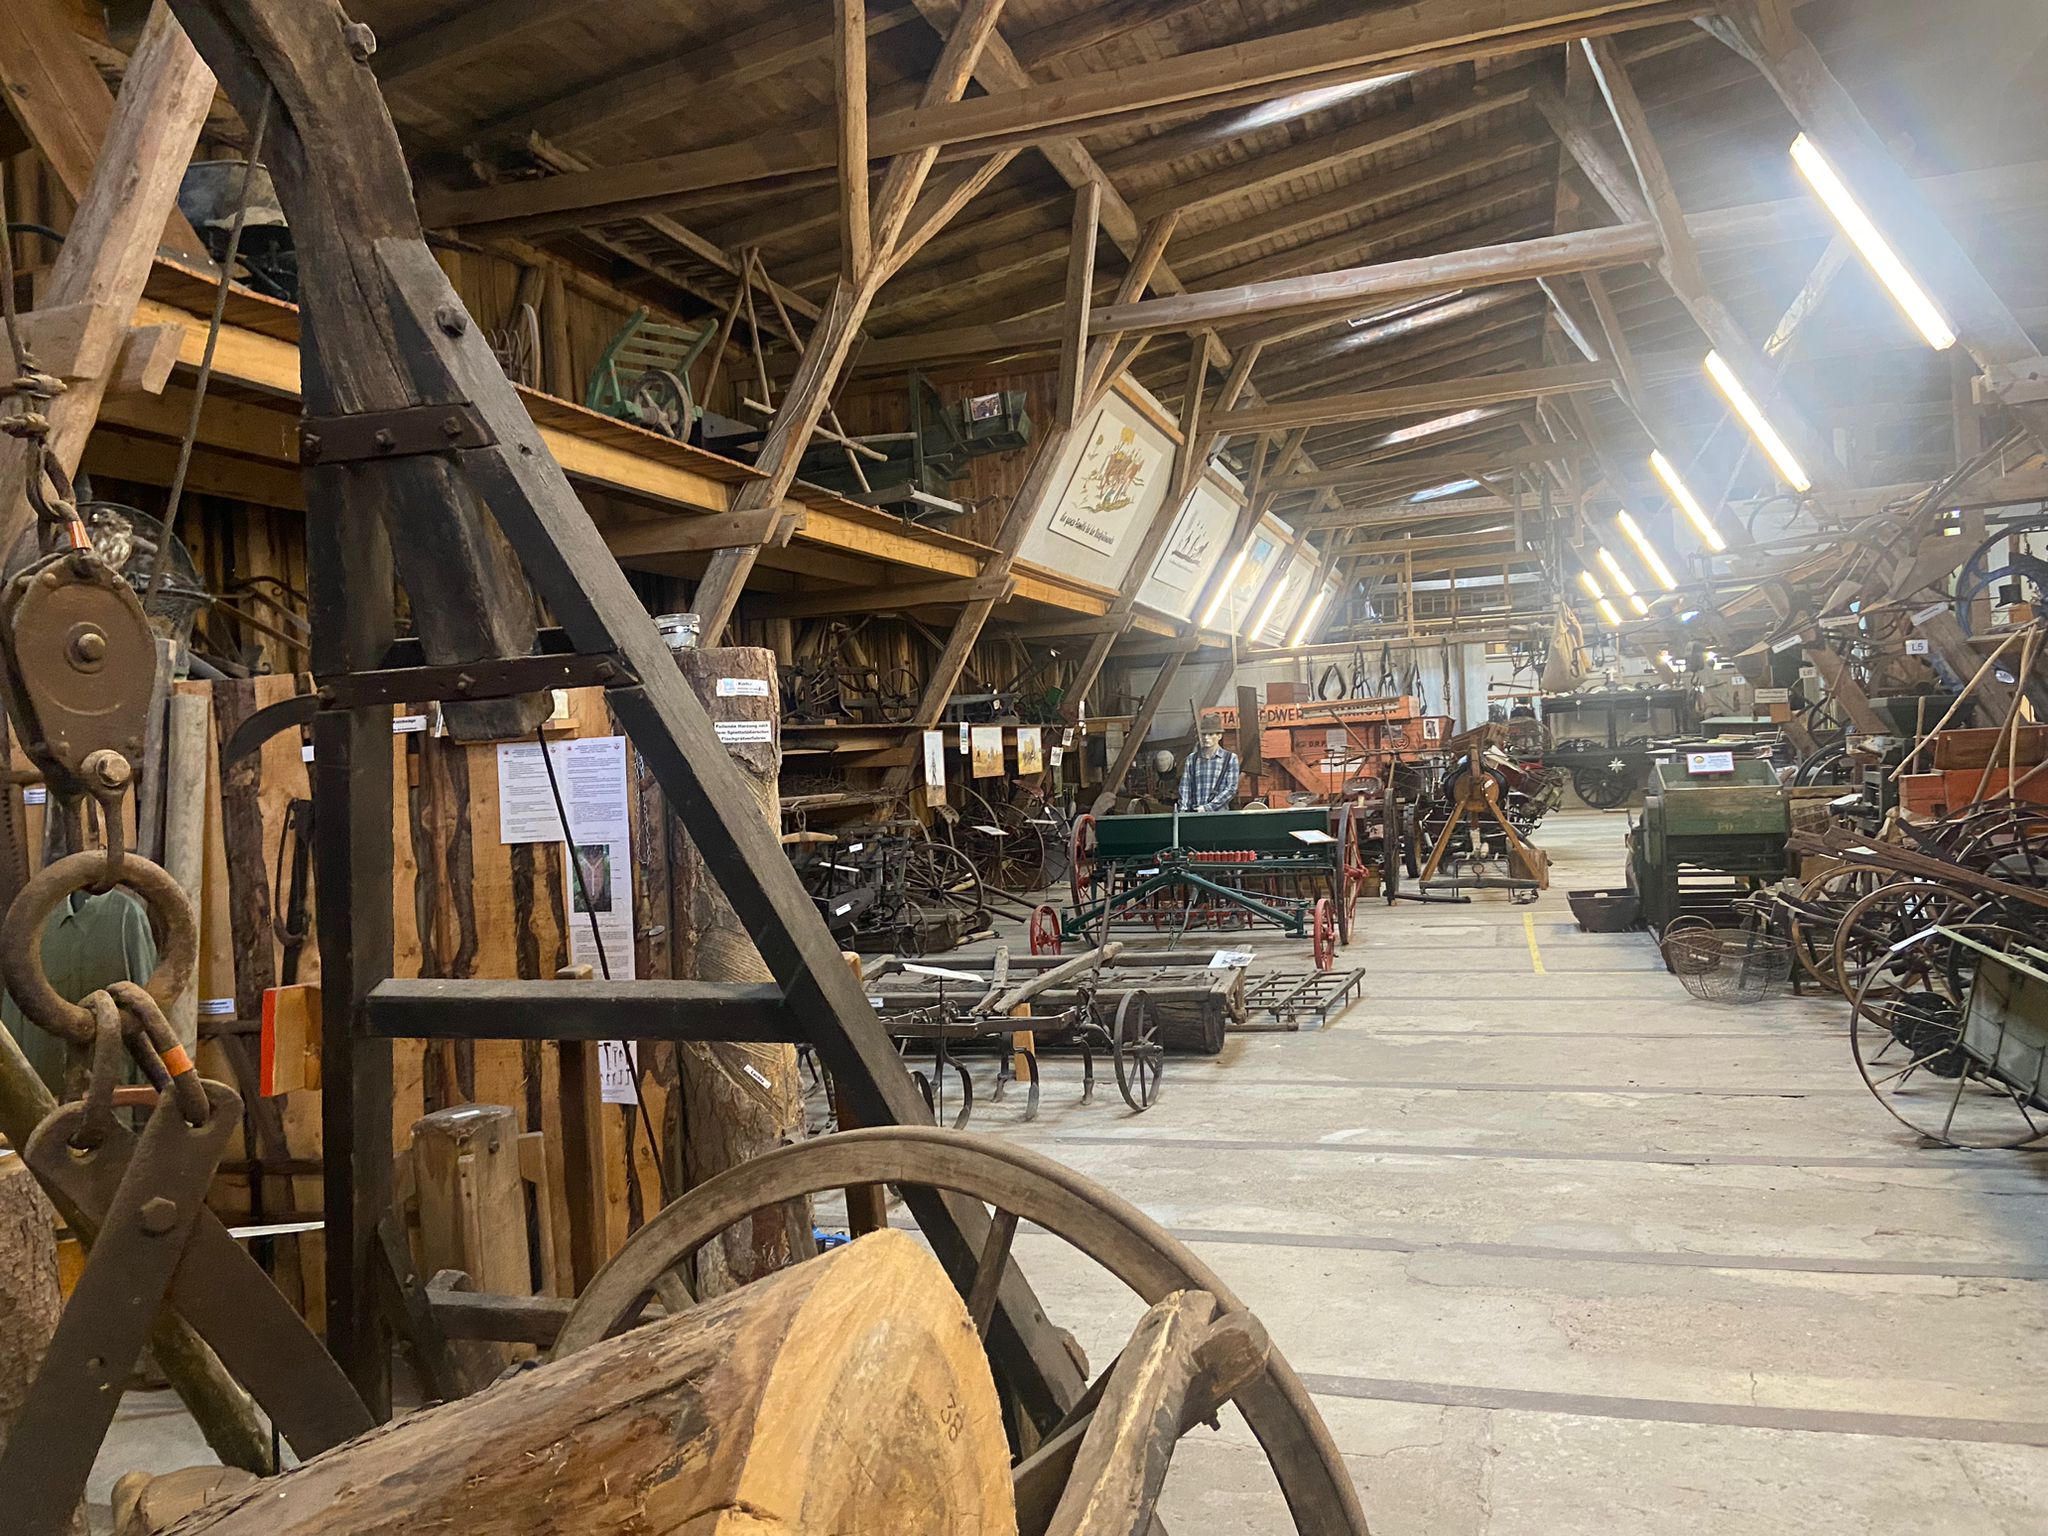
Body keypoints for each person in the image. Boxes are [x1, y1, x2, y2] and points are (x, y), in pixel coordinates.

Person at [1178, 713, 1241, 813]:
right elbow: (1185, 787)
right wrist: (1183, 811)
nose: (1206, 738)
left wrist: (1207, 808)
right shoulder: (1192, 759)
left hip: (1219, 815)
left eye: (1211, 734)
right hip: (1195, 814)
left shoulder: (1230, 759)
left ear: (1219, 736)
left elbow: (1231, 789)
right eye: (1204, 734)